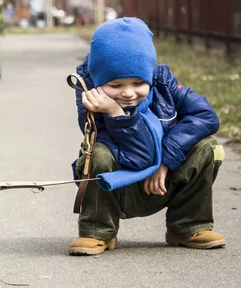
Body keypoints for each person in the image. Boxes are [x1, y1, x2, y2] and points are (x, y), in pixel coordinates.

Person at [69, 17, 225, 255]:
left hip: (162, 184)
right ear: (100, 82)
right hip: (120, 187)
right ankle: (97, 231)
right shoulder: (92, 99)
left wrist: (165, 161)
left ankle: (188, 226)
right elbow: (140, 158)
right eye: (116, 85)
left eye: (138, 82)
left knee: (208, 147)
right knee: (100, 153)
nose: (129, 93)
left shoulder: (162, 83)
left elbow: (206, 116)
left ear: (149, 76)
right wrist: (115, 112)